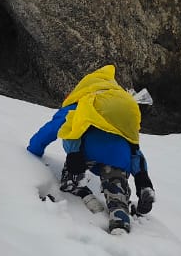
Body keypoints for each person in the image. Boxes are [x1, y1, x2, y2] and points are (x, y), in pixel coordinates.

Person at [27, 64, 155, 235]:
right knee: (116, 184)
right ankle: (119, 217)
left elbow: (53, 128)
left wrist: (34, 149)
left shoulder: (84, 99)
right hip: (119, 155)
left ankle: (78, 186)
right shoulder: (116, 103)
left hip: (85, 153)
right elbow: (134, 148)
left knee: (72, 131)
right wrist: (142, 178)